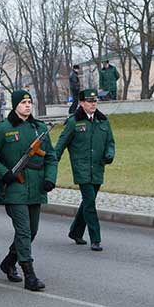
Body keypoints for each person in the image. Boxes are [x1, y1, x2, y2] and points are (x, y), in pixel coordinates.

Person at [0, 90, 58, 291]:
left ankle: (9, 262)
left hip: (36, 186)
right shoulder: (2, 129)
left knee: (32, 231)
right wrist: (5, 173)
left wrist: (49, 179)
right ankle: (30, 275)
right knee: (24, 230)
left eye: (30, 102)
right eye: (24, 102)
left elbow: (51, 157)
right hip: (14, 187)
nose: (28, 105)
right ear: (15, 105)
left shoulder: (39, 128)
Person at [55, 89, 115, 251]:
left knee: (88, 202)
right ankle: (95, 239)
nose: (93, 104)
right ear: (81, 103)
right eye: (89, 101)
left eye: (95, 101)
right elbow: (60, 145)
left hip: (98, 168)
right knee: (90, 203)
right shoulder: (74, 122)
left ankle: (75, 232)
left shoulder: (103, 121)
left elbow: (110, 142)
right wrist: (51, 163)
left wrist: (110, 154)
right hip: (81, 169)